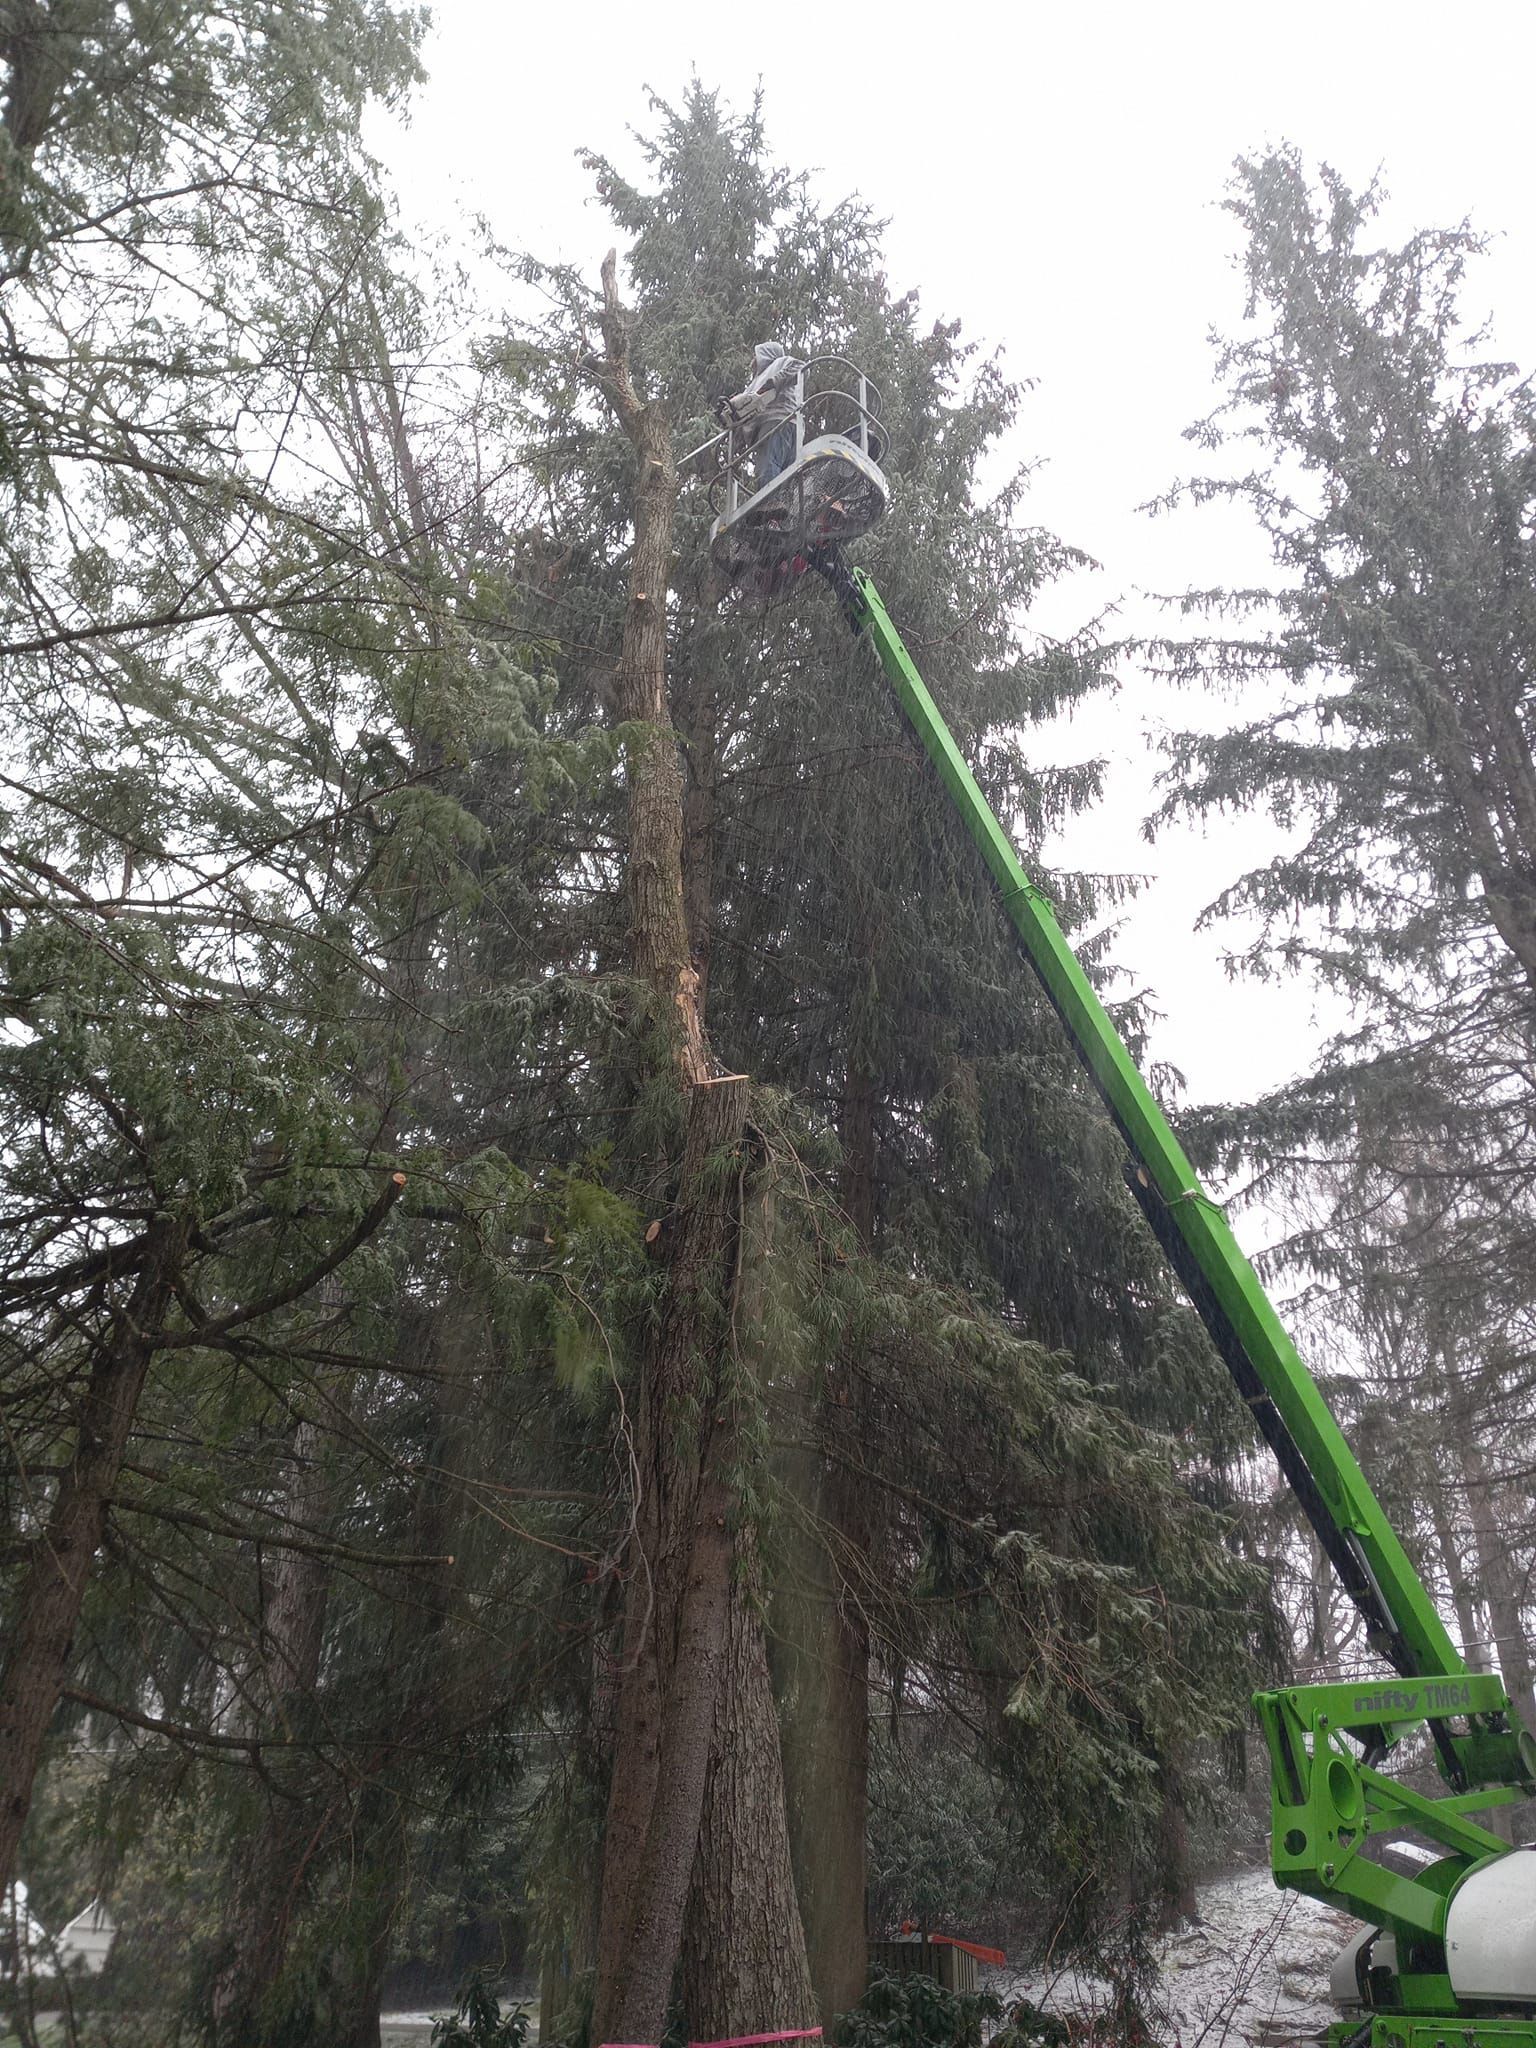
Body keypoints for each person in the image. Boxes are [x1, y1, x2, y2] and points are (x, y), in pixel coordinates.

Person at [718, 341, 804, 486]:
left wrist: (774, 382)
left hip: (774, 422)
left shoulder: (781, 363)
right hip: (790, 425)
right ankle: (784, 499)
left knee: (768, 470)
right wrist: (728, 415)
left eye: (756, 355)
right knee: (788, 478)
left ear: (766, 353)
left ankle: (771, 500)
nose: (753, 360)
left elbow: (801, 368)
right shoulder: (754, 384)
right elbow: (744, 412)